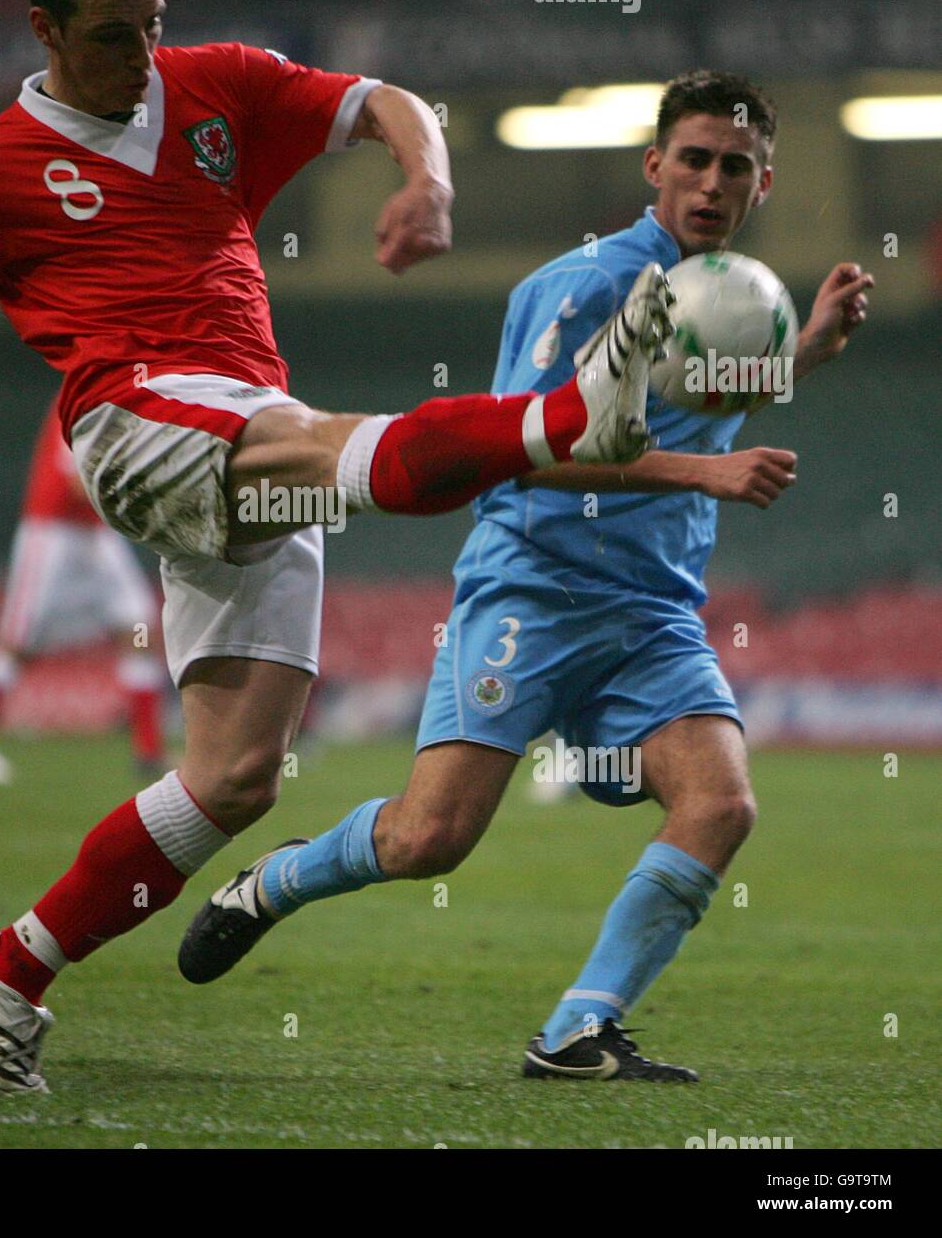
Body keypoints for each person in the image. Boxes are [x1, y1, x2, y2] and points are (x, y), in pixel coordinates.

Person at [0, 0, 670, 1093]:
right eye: (110, 38)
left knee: (239, 776)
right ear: (43, 29)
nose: (139, 59)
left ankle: (15, 961)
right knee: (323, 445)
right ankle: (563, 415)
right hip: (133, 422)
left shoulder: (214, 85)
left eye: (151, 28)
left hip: (240, 421)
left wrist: (425, 184)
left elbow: (386, 98)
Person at [179, 70, 873, 1082]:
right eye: (692, 159)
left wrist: (801, 354)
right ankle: (272, 881)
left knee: (720, 804)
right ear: (654, 167)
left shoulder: (733, 297)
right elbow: (513, 445)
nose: (711, 181)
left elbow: (690, 414)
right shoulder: (584, 283)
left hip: (651, 609)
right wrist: (701, 471)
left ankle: (575, 1032)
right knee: (430, 837)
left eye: (735, 166)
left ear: (762, 182)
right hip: (534, 587)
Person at [0, 395, 166, 784]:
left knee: (138, 627)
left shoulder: (125, 400)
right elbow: (74, 483)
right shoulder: (83, 397)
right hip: (52, 530)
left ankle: (149, 754)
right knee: (17, 642)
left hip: (95, 532)